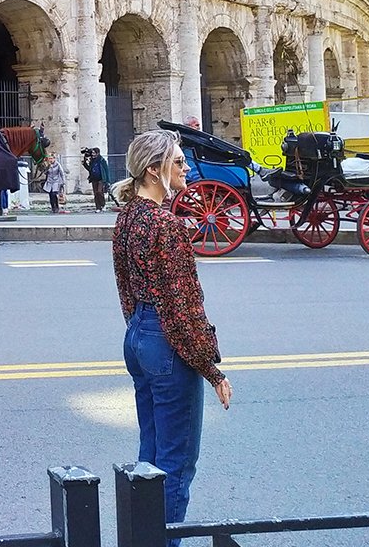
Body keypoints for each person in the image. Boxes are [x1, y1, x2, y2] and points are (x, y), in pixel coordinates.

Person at [111, 129, 232, 546]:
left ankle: (141, 538)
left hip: (138, 336)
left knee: (151, 454)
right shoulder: (167, 225)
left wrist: (138, 327)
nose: (185, 168)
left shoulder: (127, 217)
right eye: (177, 162)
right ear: (153, 171)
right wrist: (211, 370)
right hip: (165, 338)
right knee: (177, 463)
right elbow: (184, 304)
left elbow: (124, 283)